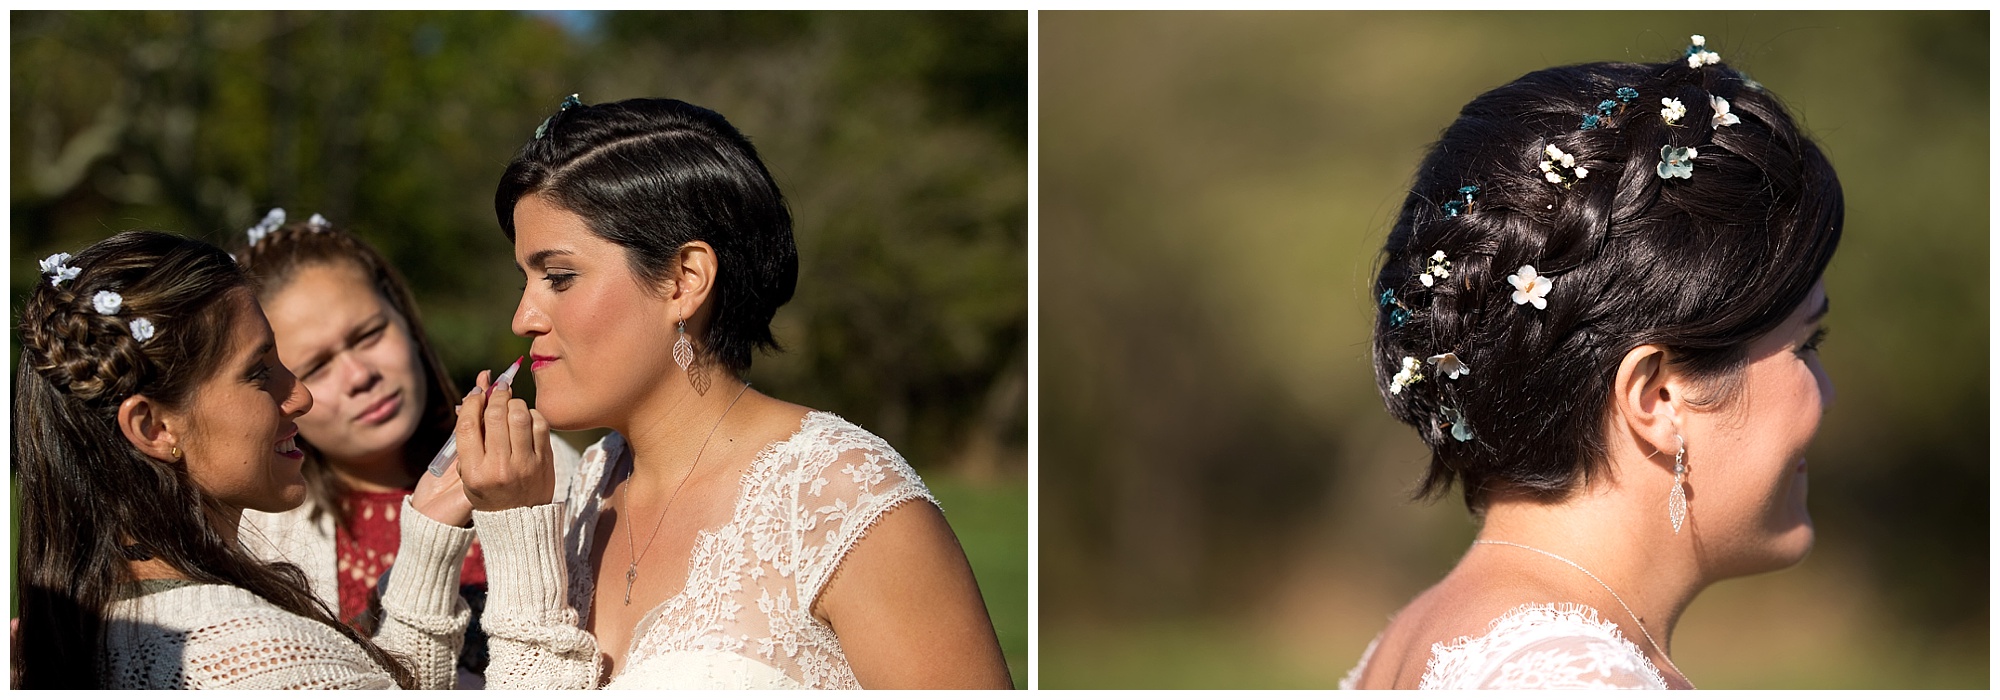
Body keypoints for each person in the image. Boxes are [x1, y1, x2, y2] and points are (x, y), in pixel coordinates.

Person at [447, 95, 1013, 689]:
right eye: (525, 280)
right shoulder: (588, 487)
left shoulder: (837, 497)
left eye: (558, 277)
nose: (523, 317)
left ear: (684, 280)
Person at [1340, 35, 1841, 689]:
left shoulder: (1419, 638)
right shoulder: (1582, 680)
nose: (1826, 393)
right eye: (1805, 346)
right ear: (1657, 394)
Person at [14, 231, 469, 688]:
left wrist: (428, 550)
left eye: (368, 334)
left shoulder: (95, 625)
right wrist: (522, 544)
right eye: (258, 373)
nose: (300, 396)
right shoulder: (256, 656)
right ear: (154, 427)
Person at [230, 210, 579, 688]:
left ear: (406, 321)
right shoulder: (257, 538)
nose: (360, 377)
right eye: (315, 366)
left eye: (369, 335)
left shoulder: (545, 462)